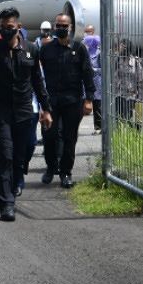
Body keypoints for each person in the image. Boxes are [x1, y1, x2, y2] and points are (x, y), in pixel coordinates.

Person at [0, 6, 52, 222]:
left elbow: (37, 81)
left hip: (24, 112)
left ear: (19, 27)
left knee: (20, 156)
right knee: (4, 155)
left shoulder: (32, 49)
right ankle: (7, 203)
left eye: (10, 27)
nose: (6, 30)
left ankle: (12, 187)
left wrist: (46, 109)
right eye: (2, 27)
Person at [39, 14, 94, 188]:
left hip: (72, 101)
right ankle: (51, 167)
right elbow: (36, 75)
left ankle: (66, 173)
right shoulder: (46, 49)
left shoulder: (79, 48)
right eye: (58, 25)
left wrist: (89, 100)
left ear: (70, 27)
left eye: (64, 25)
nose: (61, 28)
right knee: (50, 136)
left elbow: (87, 74)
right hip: (51, 102)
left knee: (70, 139)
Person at [83, 34, 102, 133]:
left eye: (87, 43)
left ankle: (99, 127)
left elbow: (103, 69)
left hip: (98, 82)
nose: (86, 44)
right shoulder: (86, 53)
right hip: (89, 82)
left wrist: (93, 69)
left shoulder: (99, 53)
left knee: (98, 105)